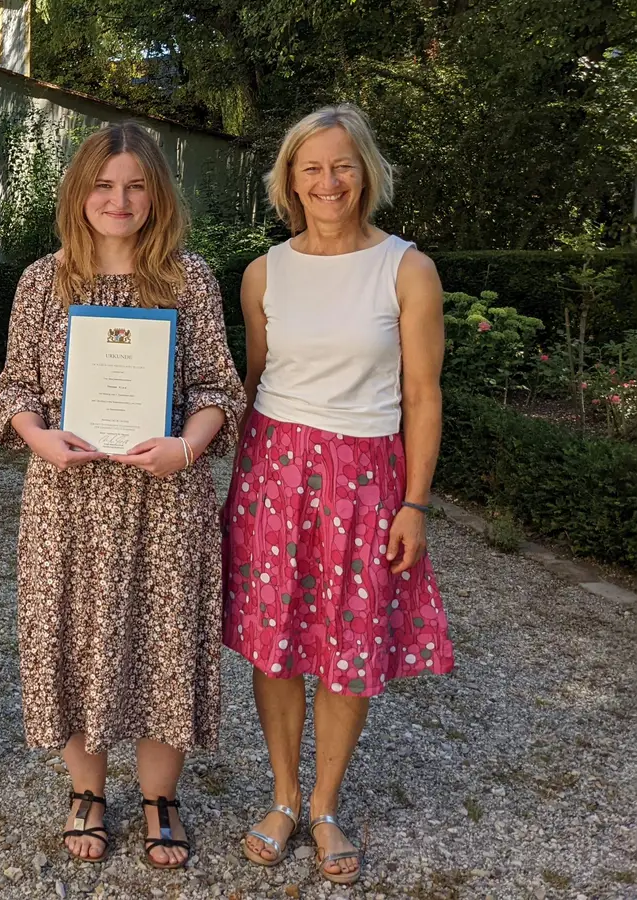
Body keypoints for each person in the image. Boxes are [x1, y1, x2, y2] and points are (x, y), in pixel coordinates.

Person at [0, 122, 245, 868]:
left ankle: (162, 798)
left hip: (165, 498)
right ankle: (88, 793)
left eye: (136, 185)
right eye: (104, 185)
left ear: (157, 194)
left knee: (165, 641)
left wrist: (187, 446)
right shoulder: (43, 280)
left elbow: (216, 390)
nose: (119, 199)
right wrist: (39, 437)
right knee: (70, 638)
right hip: (68, 500)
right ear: (80, 192)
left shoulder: (188, 278)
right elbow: (15, 388)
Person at [226, 104, 453, 886]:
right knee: (277, 640)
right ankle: (283, 795)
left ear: (368, 173)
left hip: (366, 478)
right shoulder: (264, 272)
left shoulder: (406, 268)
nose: (329, 182)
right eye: (312, 167)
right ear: (289, 179)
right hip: (273, 472)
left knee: (348, 648)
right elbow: (253, 381)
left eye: (343, 165)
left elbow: (423, 396)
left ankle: (325, 804)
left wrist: (415, 504)